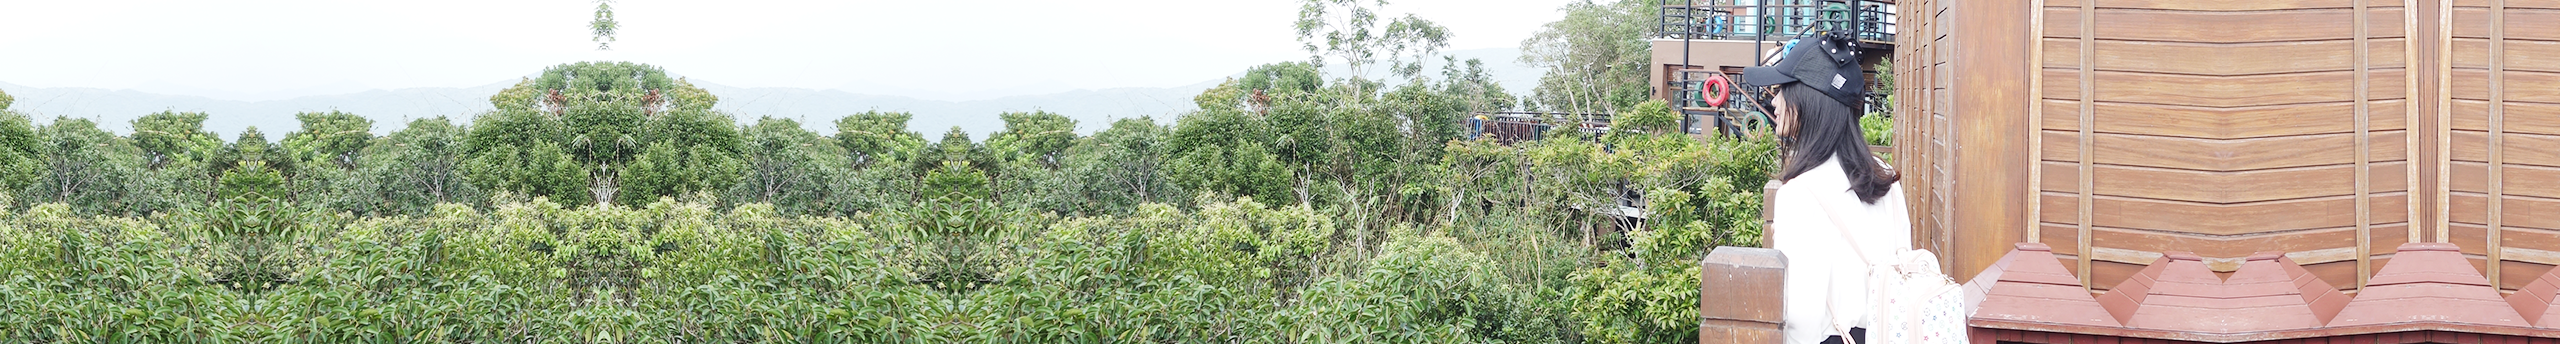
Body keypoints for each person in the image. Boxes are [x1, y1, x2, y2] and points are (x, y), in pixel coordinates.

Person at [1742, 33, 1912, 344]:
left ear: (1810, 99)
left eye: (1783, 90)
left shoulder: (1799, 194)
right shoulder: (1884, 176)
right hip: (1889, 333)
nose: (1774, 102)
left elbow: (1801, 318)